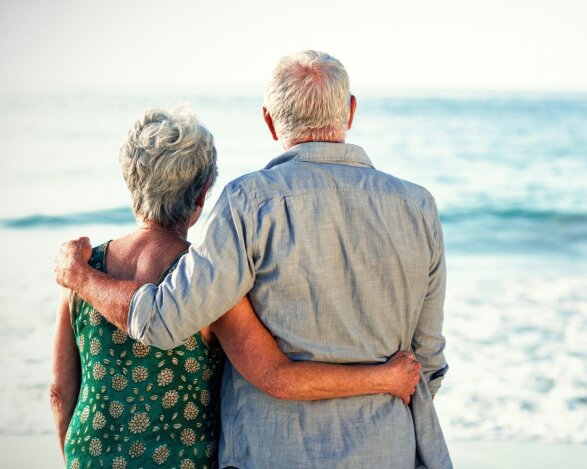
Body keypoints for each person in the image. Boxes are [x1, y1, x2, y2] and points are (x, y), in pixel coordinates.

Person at [55, 50, 452, 468]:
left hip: (271, 454)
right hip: (386, 451)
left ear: (269, 120)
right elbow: (427, 361)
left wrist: (79, 275)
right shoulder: (418, 207)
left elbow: (163, 321)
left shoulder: (249, 203)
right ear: (351, 112)